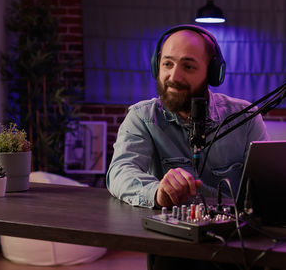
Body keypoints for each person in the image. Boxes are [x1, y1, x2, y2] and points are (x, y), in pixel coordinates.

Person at [106, 24, 268, 269]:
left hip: (237, 245)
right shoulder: (142, 117)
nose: (174, 76)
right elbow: (120, 172)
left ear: (212, 73)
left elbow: (267, 182)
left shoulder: (245, 117)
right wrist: (157, 192)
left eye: (188, 66)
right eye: (168, 64)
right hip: (173, 248)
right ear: (156, 66)